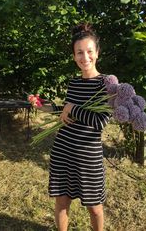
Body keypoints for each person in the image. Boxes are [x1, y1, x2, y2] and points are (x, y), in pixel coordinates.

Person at [34, 23, 110, 231]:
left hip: (88, 157)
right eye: (79, 53)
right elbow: (65, 113)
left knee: (95, 209)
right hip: (63, 151)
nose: (85, 57)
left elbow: (100, 122)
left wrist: (72, 107)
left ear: (97, 53)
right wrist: (43, 105)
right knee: (61, 202)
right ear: (74, 55)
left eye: (89, 52)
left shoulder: (107, 84)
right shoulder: (73, 83)